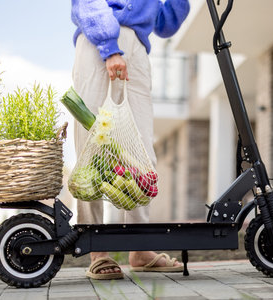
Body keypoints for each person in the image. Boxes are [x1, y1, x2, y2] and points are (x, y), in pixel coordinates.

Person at [71, 0, 190, 280]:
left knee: (142, 151)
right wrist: (109, 46)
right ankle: (97, 250)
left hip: (138, 47)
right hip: (97, 41)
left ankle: (139, 247)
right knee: (92, 148)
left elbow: (164, 23)